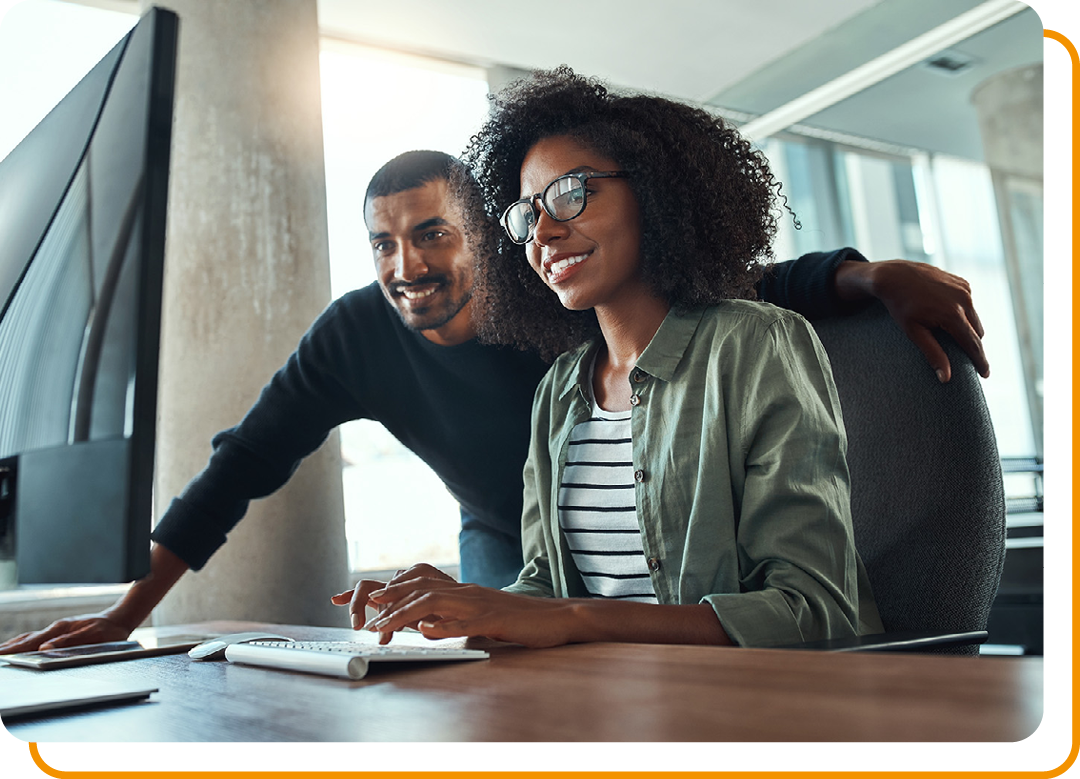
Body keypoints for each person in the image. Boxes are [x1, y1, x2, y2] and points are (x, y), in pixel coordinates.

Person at [1, 135, 982, 652]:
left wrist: (866, 276)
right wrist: (130, 610)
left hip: (671, 534)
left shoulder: (562, 296)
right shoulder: (355, 334)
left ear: (486, 231)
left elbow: (738, 286)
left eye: (431, 231)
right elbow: (241, 463)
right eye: (383, 239)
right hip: (512, 536)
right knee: (481, 664)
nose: (406, 262)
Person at [339, 67, 887, 649]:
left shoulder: (754, 345)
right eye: (527, 215)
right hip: (605, 713)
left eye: (572, 193)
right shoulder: (558, 390)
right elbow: (546, 592)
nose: (543, 232)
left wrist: (580, 619)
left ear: (653, 191)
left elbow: (814, 613)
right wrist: (460, 605)